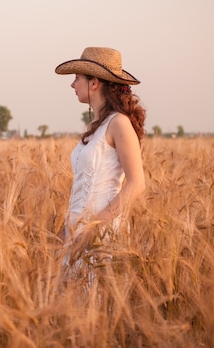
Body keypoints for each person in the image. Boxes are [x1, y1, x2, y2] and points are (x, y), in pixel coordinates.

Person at [55, 46, 146, 266]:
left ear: (94, 83)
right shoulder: (97, 125)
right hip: (77, 229)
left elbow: (137, 183)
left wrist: (95, 227)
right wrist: (67, 231)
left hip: (100, 233)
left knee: (95, 295)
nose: (72, 84)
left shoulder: (119, 123)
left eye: (77, 78)